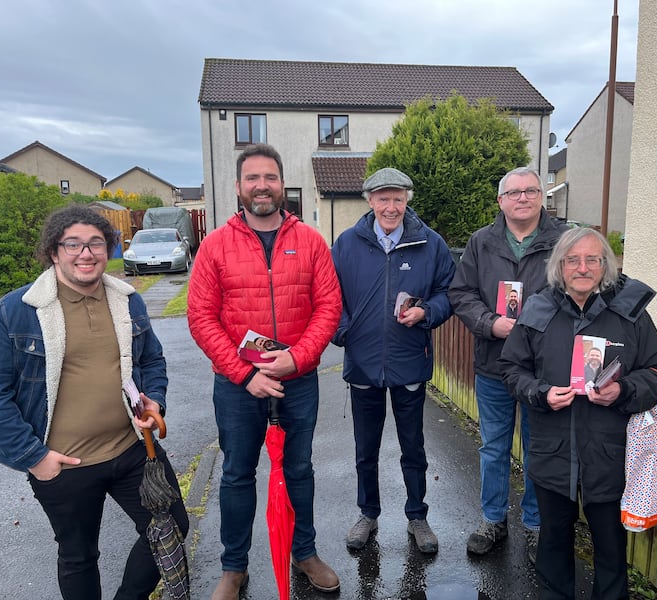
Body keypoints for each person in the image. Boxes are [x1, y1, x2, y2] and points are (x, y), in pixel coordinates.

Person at [0, 204, 187, 600]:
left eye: (96, 243)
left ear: (108, 249)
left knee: (171, 525)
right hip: (64, 464)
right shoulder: (17, 311)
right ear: (54, 252)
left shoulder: (127, 301)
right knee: (79, 556)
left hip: (132, 450)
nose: (86, 253)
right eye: (73, 244)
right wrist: (35, 458)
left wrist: (154, 402)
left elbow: (151, 360)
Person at [187, 143, 342, 599]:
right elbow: (201, 317)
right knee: (237, 473)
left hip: (298, 381)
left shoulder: (310, 241)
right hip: (238, 386)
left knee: (298, 469)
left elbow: (329, 306)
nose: (261, 186)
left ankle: (303, 552)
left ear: (282, 185)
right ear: (238, 187)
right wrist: (244, 374)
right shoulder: (216, 245)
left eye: (269, 177)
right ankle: (234, 567)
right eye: (252, 178)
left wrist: (300, 357)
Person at [499, 227, 657, 599]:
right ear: (559, 267)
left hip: (609, 456)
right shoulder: (538, 309)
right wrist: (541, 393)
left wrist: (623, 391)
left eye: (592, 259)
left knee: (611, 550)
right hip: (551, 453)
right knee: (552, 546)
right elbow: (512, 369)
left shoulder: (630, 314)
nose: (582, 268)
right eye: (573, 260)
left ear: (605, 265)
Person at [331, 167, 456, 554]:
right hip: (363, 362)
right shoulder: (347, 244)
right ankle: (367, 514)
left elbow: (450, 292)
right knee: (365, 449)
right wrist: (344, 331)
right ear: (370, 201)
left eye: (398, 199)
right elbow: (330, 296)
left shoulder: (430, 243)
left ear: (407, 201)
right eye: (383, 198)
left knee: (413, 447)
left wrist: (427, 312)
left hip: (409, 361)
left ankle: (417, 516)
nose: (391, 207)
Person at [448, 166, 566, 561]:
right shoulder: (481, 242)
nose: (523, 198)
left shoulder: (563, 240)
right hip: (494, 364)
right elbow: (461, 293)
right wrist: (489, 323)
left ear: (542, 197)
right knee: (493, 447)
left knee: (538, 448)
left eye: (530, 191)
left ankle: (535, 524)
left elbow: (579, 293)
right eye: (514, 192)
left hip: (542, 369)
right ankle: (493, 520)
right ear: (501, 201)